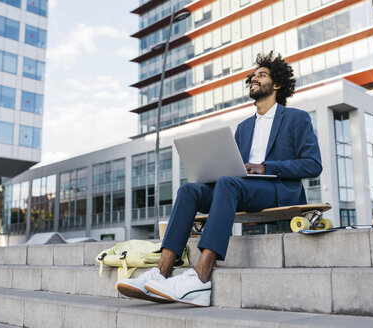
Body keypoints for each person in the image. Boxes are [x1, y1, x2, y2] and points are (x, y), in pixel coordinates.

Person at [117, 51, 322, 306]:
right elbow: (232, 167)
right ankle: (162, 271)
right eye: (252, 76)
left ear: (277, 84)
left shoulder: (295, 118)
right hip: (241, 188)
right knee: (190, 190)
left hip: (277, 189)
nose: (254, 79)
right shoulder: (244, 127)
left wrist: (265, 166)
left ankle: (201, 278)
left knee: (228, 183)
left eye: (261, 75)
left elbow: (313, 165)